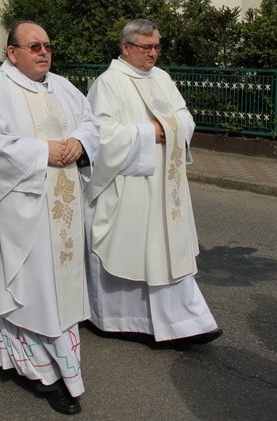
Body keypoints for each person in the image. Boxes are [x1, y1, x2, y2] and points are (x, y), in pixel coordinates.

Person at [0, 21, 99, 415]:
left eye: (47, 45)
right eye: (33, 46)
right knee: (30, 288)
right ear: (12, 53)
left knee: (57, 287)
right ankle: (43, 373)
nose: (43, 52)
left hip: (62, 211)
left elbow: (92, 124)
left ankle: (10, 345)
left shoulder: (62, 86)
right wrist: (45, 152)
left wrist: (79, 142)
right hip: (17, 210)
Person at [84, 19, 222, 350]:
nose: (153, 54)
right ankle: (118, 319)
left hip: (165, 184)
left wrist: (171, 129)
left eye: (157, 46)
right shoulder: (108, 84)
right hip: (130, 185)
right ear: (126, 48)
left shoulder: (161, 78)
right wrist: (152, 133)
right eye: (146, 47)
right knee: (132, 251)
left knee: (167, 252)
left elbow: (184, 116)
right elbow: (102, 136)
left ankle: (186, 321)